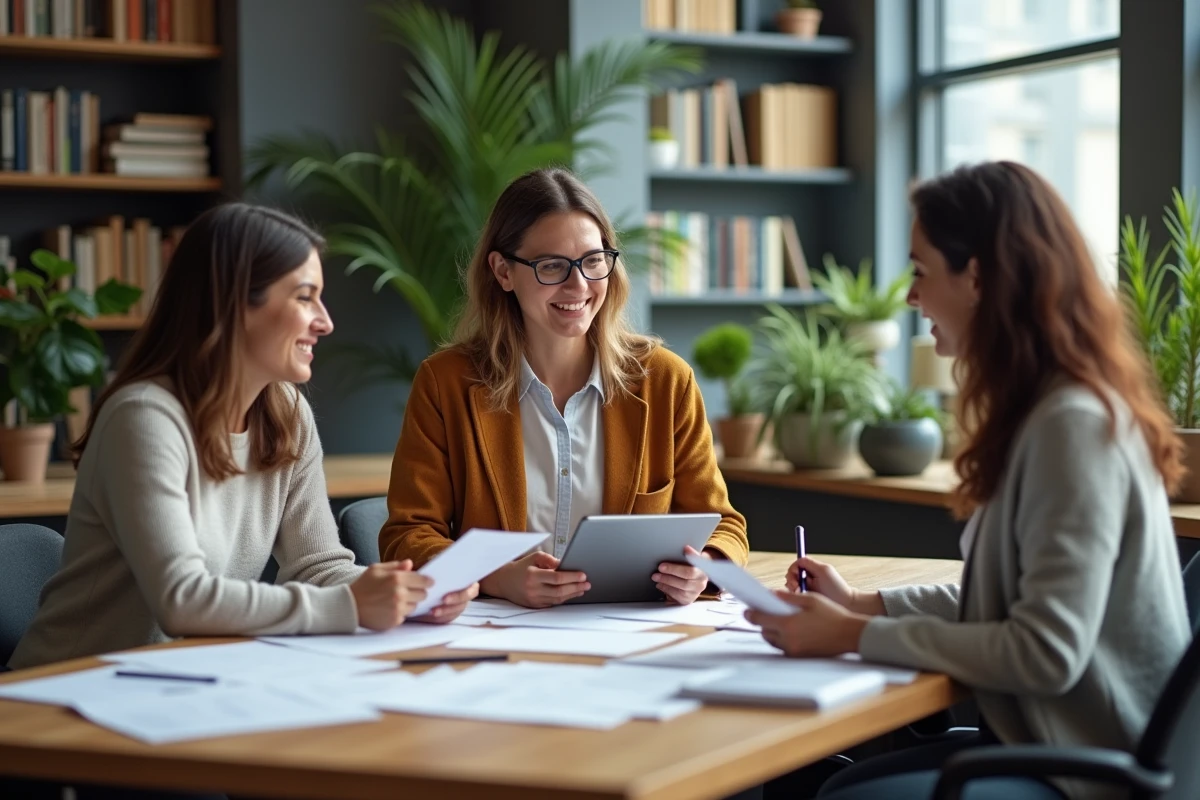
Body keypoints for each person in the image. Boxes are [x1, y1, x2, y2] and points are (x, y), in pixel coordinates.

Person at [749, 162, 1191, 800]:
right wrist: (862, 604)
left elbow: (1045, 649)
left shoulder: (1072, 425)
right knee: (819, 783)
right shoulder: (1045, 412)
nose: (910, 297)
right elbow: (1011, 604)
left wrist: (850, 634)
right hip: (1048, 746)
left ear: (977, 277)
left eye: (921, 271)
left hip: (1086, 772)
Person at [8, 203, 475, 673]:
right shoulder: (144, 419)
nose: (325, 321)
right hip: (65, 693)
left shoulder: (285, 414)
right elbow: (182, 599)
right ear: (234, 303)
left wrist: (411, 595)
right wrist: (352, 605)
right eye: (304, 297)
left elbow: (318, 568)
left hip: (179, 684)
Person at [379, 167, 749, 608]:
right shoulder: (446, 384)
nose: (579, 286)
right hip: (498, 637)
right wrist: (497, 578)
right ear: (502, 272)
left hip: (629, 637)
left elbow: (725, 525)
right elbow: (407, 536)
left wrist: (703, 566)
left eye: (594, 260)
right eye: (552, 265)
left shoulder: (665, 381)